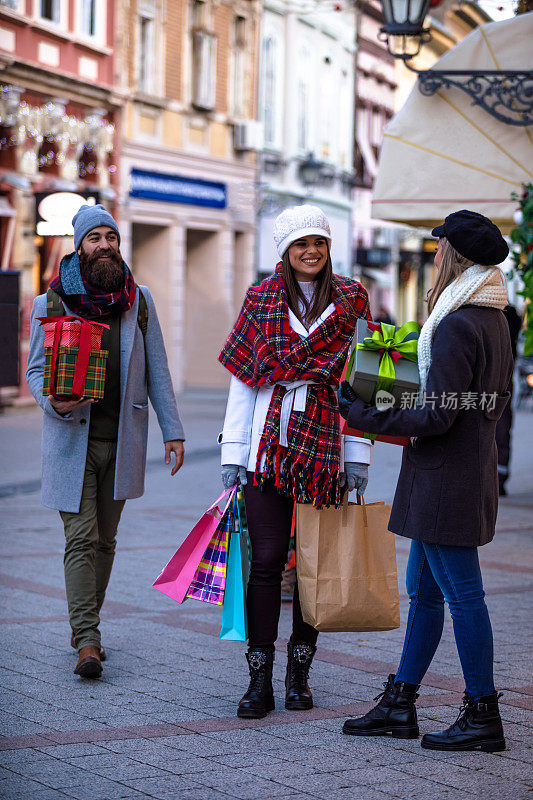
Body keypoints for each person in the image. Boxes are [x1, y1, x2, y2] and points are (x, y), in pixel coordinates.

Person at [338, 209, 512, 752]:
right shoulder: (493, 318)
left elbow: (437, 414)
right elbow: (461, 403)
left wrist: (364, 413)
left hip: (444, 480)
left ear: (454, 256)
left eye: (439, 250)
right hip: (458, 473)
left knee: (462, 597)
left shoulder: (459, 323)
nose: (434, 256)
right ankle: (400, 703)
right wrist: (384, 398)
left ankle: (483, 714)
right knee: (428, 596)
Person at [218, 205, 372, 719]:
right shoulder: (261, 298)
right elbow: (242, 379)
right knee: (264, 563)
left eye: (320, 243)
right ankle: (257, 678)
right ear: (284, 251)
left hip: (326, 445)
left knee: (312, 564)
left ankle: (299, 673)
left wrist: (359, 455)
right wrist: (232, 453)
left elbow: (364, 385)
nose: (311, 252)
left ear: (329, 250)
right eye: (301, 243)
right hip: (266, 447)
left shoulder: (352, 301)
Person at [26, 204, 185, 679]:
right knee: (80, 539)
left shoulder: (139, 301)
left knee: (106, 541)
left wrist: (172, 430)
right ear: (79, 246)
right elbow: (35, 371)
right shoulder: (51, 303)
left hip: (123, 440)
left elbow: (157, 368)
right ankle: (89, 640)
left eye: (111, 237)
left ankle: (85, 630)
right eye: (94, 237)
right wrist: (52, 402)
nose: (105, 245)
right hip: (69, 441)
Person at [496, 304, 522, 495]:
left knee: (502, 429)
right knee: (502, 429)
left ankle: (500, 478)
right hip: (502, 375)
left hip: (502, 376)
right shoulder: (508, 312)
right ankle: (498, 478)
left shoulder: (508, 313)